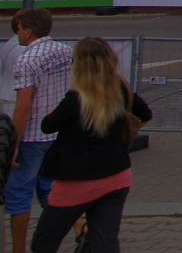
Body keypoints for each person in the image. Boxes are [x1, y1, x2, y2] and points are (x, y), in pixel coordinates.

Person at [30, 38, 151, 253]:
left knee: (44, 240)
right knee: (105, 241)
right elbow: (145, 113)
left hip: (76, 181)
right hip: (117, 176)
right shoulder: (120, 90)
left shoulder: (75, 99)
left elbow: (47, 126)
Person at [7, 8, 73, 253]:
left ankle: (18, 249)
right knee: (51, 189)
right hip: (57, 132)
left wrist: (13, 144)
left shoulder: (26, 60)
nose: (17, 34)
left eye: (19, 28)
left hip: (33, 136)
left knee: (19, 194)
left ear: (29, 31)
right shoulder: (65, 51)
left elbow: (23, 106)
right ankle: (80, 229)